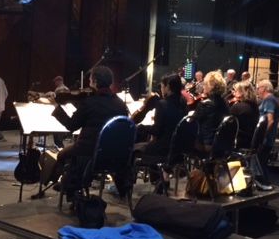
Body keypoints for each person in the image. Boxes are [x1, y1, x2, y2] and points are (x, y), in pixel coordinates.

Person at [51, 66, 129, 198]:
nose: (89, 83)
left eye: (91, 80)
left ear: (95, 82)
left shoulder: (89, 102)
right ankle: (71, 182)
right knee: (76, 152)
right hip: (113, 156)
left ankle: (70, 184)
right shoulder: (120, 104)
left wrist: (57, 108)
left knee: (62, 154)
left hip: (89, 152)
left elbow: (71, 126)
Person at [131, 74, 187, 192]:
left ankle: (126, 187)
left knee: (133, 149)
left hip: (164, 149)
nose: (161, 89)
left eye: (162, 86)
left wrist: (142, 127)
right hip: (178, 148)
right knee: (150, 143)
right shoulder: (183, 102)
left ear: (168, 87)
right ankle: (159, 180)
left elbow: (157, 130)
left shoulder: (162, 104)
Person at [192, 71, 230, 153]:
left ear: (211, 86)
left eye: (205, 84)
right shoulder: (225, 103)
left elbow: (193, 120)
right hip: (222, 143)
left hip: (207, 144)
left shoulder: (205, 104)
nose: (203, 86)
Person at [256, 79, 279, 189]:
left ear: (264, 88)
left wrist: (262, 136)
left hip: (266, 139)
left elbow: (270, 120)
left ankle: (265, 185)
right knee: (261, 162)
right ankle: (265, 184)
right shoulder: (270, 99)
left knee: (260, 162)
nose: (257, 90)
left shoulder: (269, 100)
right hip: (268, 138)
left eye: (258, 88)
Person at [229, 80, 259, 149]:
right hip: (249, 141)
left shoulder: (238, 107)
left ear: (241, 93)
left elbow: (227, 124)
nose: (234, 93)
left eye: (236, 91)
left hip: (239, 142)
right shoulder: (255, 106)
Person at [51, 75, 70, 149]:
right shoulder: (67, 89)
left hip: (60, 113)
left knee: (57, 136)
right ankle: (60, 147)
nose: (55, 83)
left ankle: (61, 149)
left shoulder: (59, 89)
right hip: (66, 112)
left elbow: (57, 101)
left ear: (59, 81)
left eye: (55, 82)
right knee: (60, 135)